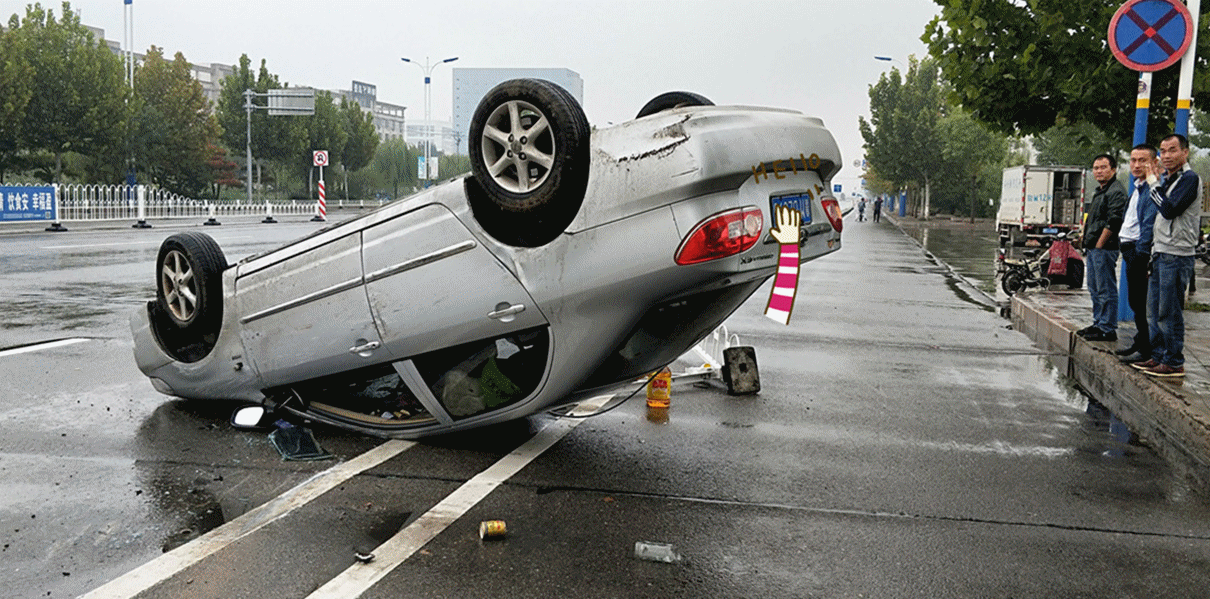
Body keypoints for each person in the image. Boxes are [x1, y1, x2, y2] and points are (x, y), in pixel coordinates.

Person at [1132, 134, 1203, 378]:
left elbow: (1169, 209)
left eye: (1173, 150)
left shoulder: (1189, 179)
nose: (1167, 155)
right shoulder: (1170, 180)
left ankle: (1173, 361)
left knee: (1169, 311)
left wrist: (1153, 183)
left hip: (1176, 254)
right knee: (1154, 310)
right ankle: (1159, 355)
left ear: (1185, 152)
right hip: (1160, 252)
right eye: (1163, 151)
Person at [1115, 144, 1161, 364]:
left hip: (1138, 251)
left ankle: (1146, 348)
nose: (1136, 165)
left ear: (1154, 163)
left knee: (1141, 302)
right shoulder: (1137, 188)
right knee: (1135, 301)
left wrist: (1142, 255)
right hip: (1129, 248)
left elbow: (1149, 224)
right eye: (1133, 160)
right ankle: (1140, 340)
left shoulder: (1152, 190)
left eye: (1142, 160)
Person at [1076, 154, 1128, 342]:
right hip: (1093, 247)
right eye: (1096, 168)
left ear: (1113, 170)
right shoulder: (1101, 191)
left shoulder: (1116, 191)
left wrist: (1099, 245)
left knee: (1106, 288)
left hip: (1104, 249)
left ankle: (1107, 327)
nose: (1099, 171)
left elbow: (1114, 221)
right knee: (1094, 287)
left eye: (1103, 167)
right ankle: (1098, 322)